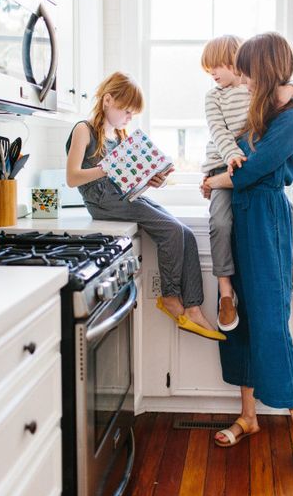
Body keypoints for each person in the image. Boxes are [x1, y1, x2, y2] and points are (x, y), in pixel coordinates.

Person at [201, 32, 293, 481]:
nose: (244, 80)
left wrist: (216, 182)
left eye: (249, 72)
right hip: (239, 212)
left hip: (266, 217)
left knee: (272, 323)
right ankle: (249, 417)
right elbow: (230, 158)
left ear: (266, 70)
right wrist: (218, 179)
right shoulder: (259, 107)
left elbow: (251, 171)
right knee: (241, 323)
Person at [66, 71, 226, 342]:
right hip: (102, 203)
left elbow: (126, 180)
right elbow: (72, 178)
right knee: (172, 231)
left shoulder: (118, 134)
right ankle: (171, 298)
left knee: (184, 232)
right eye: (127, 111)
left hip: (123, 197)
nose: (129, 118)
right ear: (108, 100)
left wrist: (152, 180)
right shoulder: (84, 129)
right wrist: (107, 168)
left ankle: (194, 307)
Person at [201, 35, 293, 332]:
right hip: (223, 163)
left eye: (218, 65)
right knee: (220, 223)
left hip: (246, 171)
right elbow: (218, 132)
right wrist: (229, 161)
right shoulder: (214, 97)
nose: (214, 74)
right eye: (209, 70)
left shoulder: (254, 91)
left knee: (290, 214)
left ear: (239, 64)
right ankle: (225, 293)